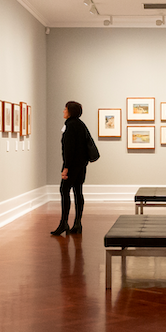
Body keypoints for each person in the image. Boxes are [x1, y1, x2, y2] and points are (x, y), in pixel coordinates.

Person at [52, 100, 92, 236]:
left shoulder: (69, 125)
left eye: (65, 109)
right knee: (78, 191)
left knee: (64, 190)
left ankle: (64, 222)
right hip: (82, 164)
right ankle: (77, 223)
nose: (63, 111)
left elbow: (69, 149)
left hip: (73, 165)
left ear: (70, 111)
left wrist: (66, 168)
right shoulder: (81, 125)